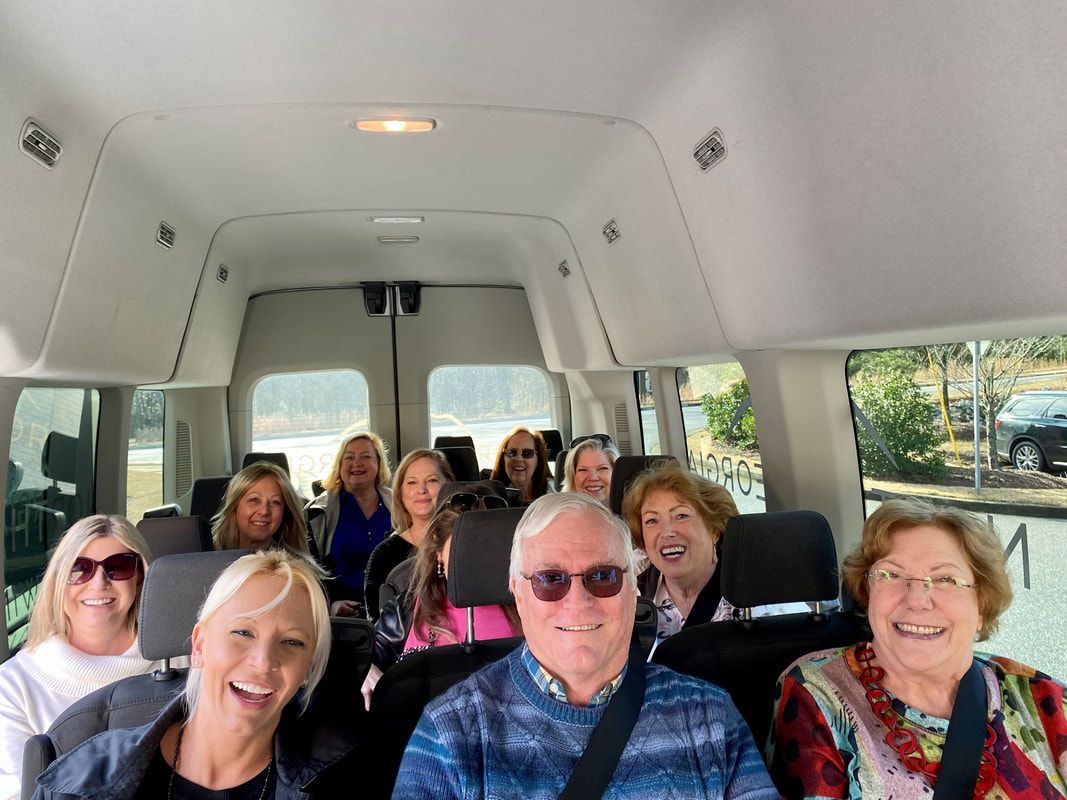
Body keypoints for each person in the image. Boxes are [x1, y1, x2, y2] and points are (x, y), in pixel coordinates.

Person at [392, 492, 778, 799]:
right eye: (550, 579)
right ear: (519, 594)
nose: (578, 600)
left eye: (604, 575)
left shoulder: (710, 719)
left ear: (632, 588)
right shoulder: (451, 735)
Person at [768, 497, 1067, 799]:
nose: (917, 600)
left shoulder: (1046, 699)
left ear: (982, 605)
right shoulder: (818, 692)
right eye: (891, 575)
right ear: (867, 591)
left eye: (945, 579)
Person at [31, 549, 347, 800]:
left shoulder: (340, 782)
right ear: (199, 645)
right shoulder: (80, 780)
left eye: (292, 642)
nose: (264, 662)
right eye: (242, 632)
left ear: (308, 667)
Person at [0, 515, 156, 800]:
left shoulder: (182, 661)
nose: (99, 583)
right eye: (79, 569)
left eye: (118, 566)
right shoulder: (12, 686)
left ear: (140, 577)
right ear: (58, 581)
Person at [365, 482, 518, 706]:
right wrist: (365, 670)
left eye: (488, 547)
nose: (477, 560)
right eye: (462, 549)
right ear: (438, 553)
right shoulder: (406, 610)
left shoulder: (535, 609)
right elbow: (363, 655)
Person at [623, 461, 806, 645]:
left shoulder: (758, 593)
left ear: (714, 530)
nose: (667, 531)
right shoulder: (629, 594)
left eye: (681, 516)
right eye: (652, 520)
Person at [306, 432, 393, 616]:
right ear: (339, 466)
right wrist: (330, 604)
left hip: (393, 608)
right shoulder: (317, 513)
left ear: (378, 463)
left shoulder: (399, 504)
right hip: (342, 612)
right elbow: (307, 570)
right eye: (349, 458)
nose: (357, 463)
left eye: (366, 456)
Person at [363, 449, 454, 620]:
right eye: (412, 483)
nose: (422, 489)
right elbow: (378, 626)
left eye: (432, 480)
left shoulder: (465, 543)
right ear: (400, 493)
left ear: (448, 485)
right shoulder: (383, 555)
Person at [212, 461, 310, 554]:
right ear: (234, 505)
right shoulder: (204, 555)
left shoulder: (295, 568)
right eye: (254, 500)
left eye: (275, 502)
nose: (264, 511)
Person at [489, 427, 550, 505]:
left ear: (539, 459)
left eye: (527, 453)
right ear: (503, 459)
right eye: (512, 452)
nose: (518, 459)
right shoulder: (488, 498)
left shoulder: (555, 496)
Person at [560, 436, 619, 505]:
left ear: (617, 472)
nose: (593, 478)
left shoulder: (632, 514)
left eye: (602, 468)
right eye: (583, 470)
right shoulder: (558, 513)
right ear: (572, 476)